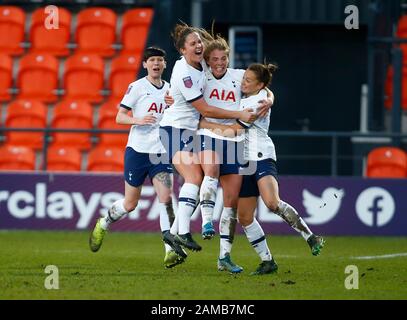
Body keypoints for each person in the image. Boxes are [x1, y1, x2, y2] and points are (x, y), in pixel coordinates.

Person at [199, 63, 325, 275]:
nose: (243, 83)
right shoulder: (257, 93)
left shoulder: (258, 101)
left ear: (260, 85)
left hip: (261, 156)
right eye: (244, 78)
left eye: (249, 81)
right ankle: (268, 261)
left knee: (272, 202)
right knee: (245, 217)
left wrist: (204, 125)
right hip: (243, 161)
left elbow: (233, 131)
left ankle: (311, 237)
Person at [159, 23, 256, 257]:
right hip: (174, 130)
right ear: (182, 50)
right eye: (192, 44)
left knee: (199, 179)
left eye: (199, 42)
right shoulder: (184, 72)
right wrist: (238, 115)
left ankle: (174, 236)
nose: (198, 46)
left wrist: (269, 98)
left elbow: (256, 78)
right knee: (195, 177)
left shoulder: (200, 63)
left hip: (189, 131)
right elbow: (205, 109)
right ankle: (181, 232)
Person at [89, 47, 185, 269]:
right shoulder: (137, 87)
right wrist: (138, 120)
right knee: (130, 203)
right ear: (145, 64)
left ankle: (169, 250)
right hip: (137, 151)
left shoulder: (171, 90)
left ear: (165, 64)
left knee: (166, 199)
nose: (156, 63)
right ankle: (104, 222)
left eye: (160, 60)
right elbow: (119, 117)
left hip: (160, 152)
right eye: (152, 60)